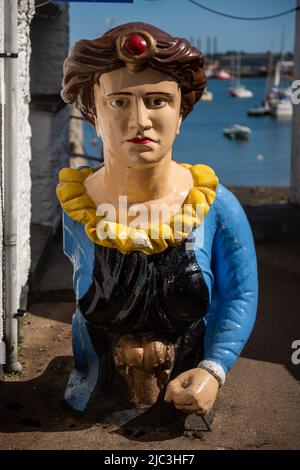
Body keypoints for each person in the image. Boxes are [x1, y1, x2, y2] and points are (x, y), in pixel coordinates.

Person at [56, 22, 258, 422]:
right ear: (93, 113)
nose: (141, 121)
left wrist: (213, 370)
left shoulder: (214, 206)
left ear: (181, 112)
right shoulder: (78, 207)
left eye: (157, 100)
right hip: (94, 392)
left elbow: (239, 295)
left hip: (187, 390)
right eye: (119, 102)